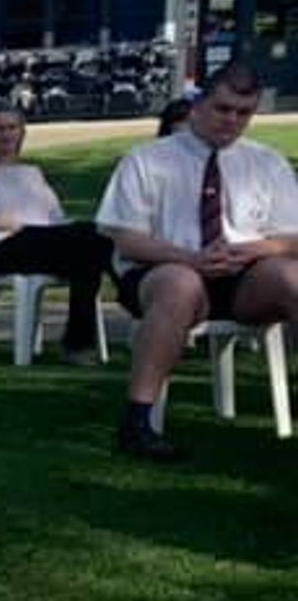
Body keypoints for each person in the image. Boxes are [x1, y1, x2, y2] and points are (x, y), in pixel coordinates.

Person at [97, 60, 298, 461]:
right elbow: (125, 238)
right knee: (179, 284)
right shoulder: (146, 160)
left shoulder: (267, 162)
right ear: (198, 106)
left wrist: (252, 250)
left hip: (245, 274)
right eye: (223, 109)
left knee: (293, 277)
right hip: (162, 268)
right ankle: (138, 421)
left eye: (243, 113)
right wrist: (191, 258)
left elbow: (292, 236)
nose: (232, 120)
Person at [0, 106, 115, 364]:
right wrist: (17, 225)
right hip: (2, 246)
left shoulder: (32, 172)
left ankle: (77, 343)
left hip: (43, 242)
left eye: (12, 128)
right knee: (91, 239)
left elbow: (56, 217)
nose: (6, 134)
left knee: (90, 255)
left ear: (21, 133)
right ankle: (124, 306)